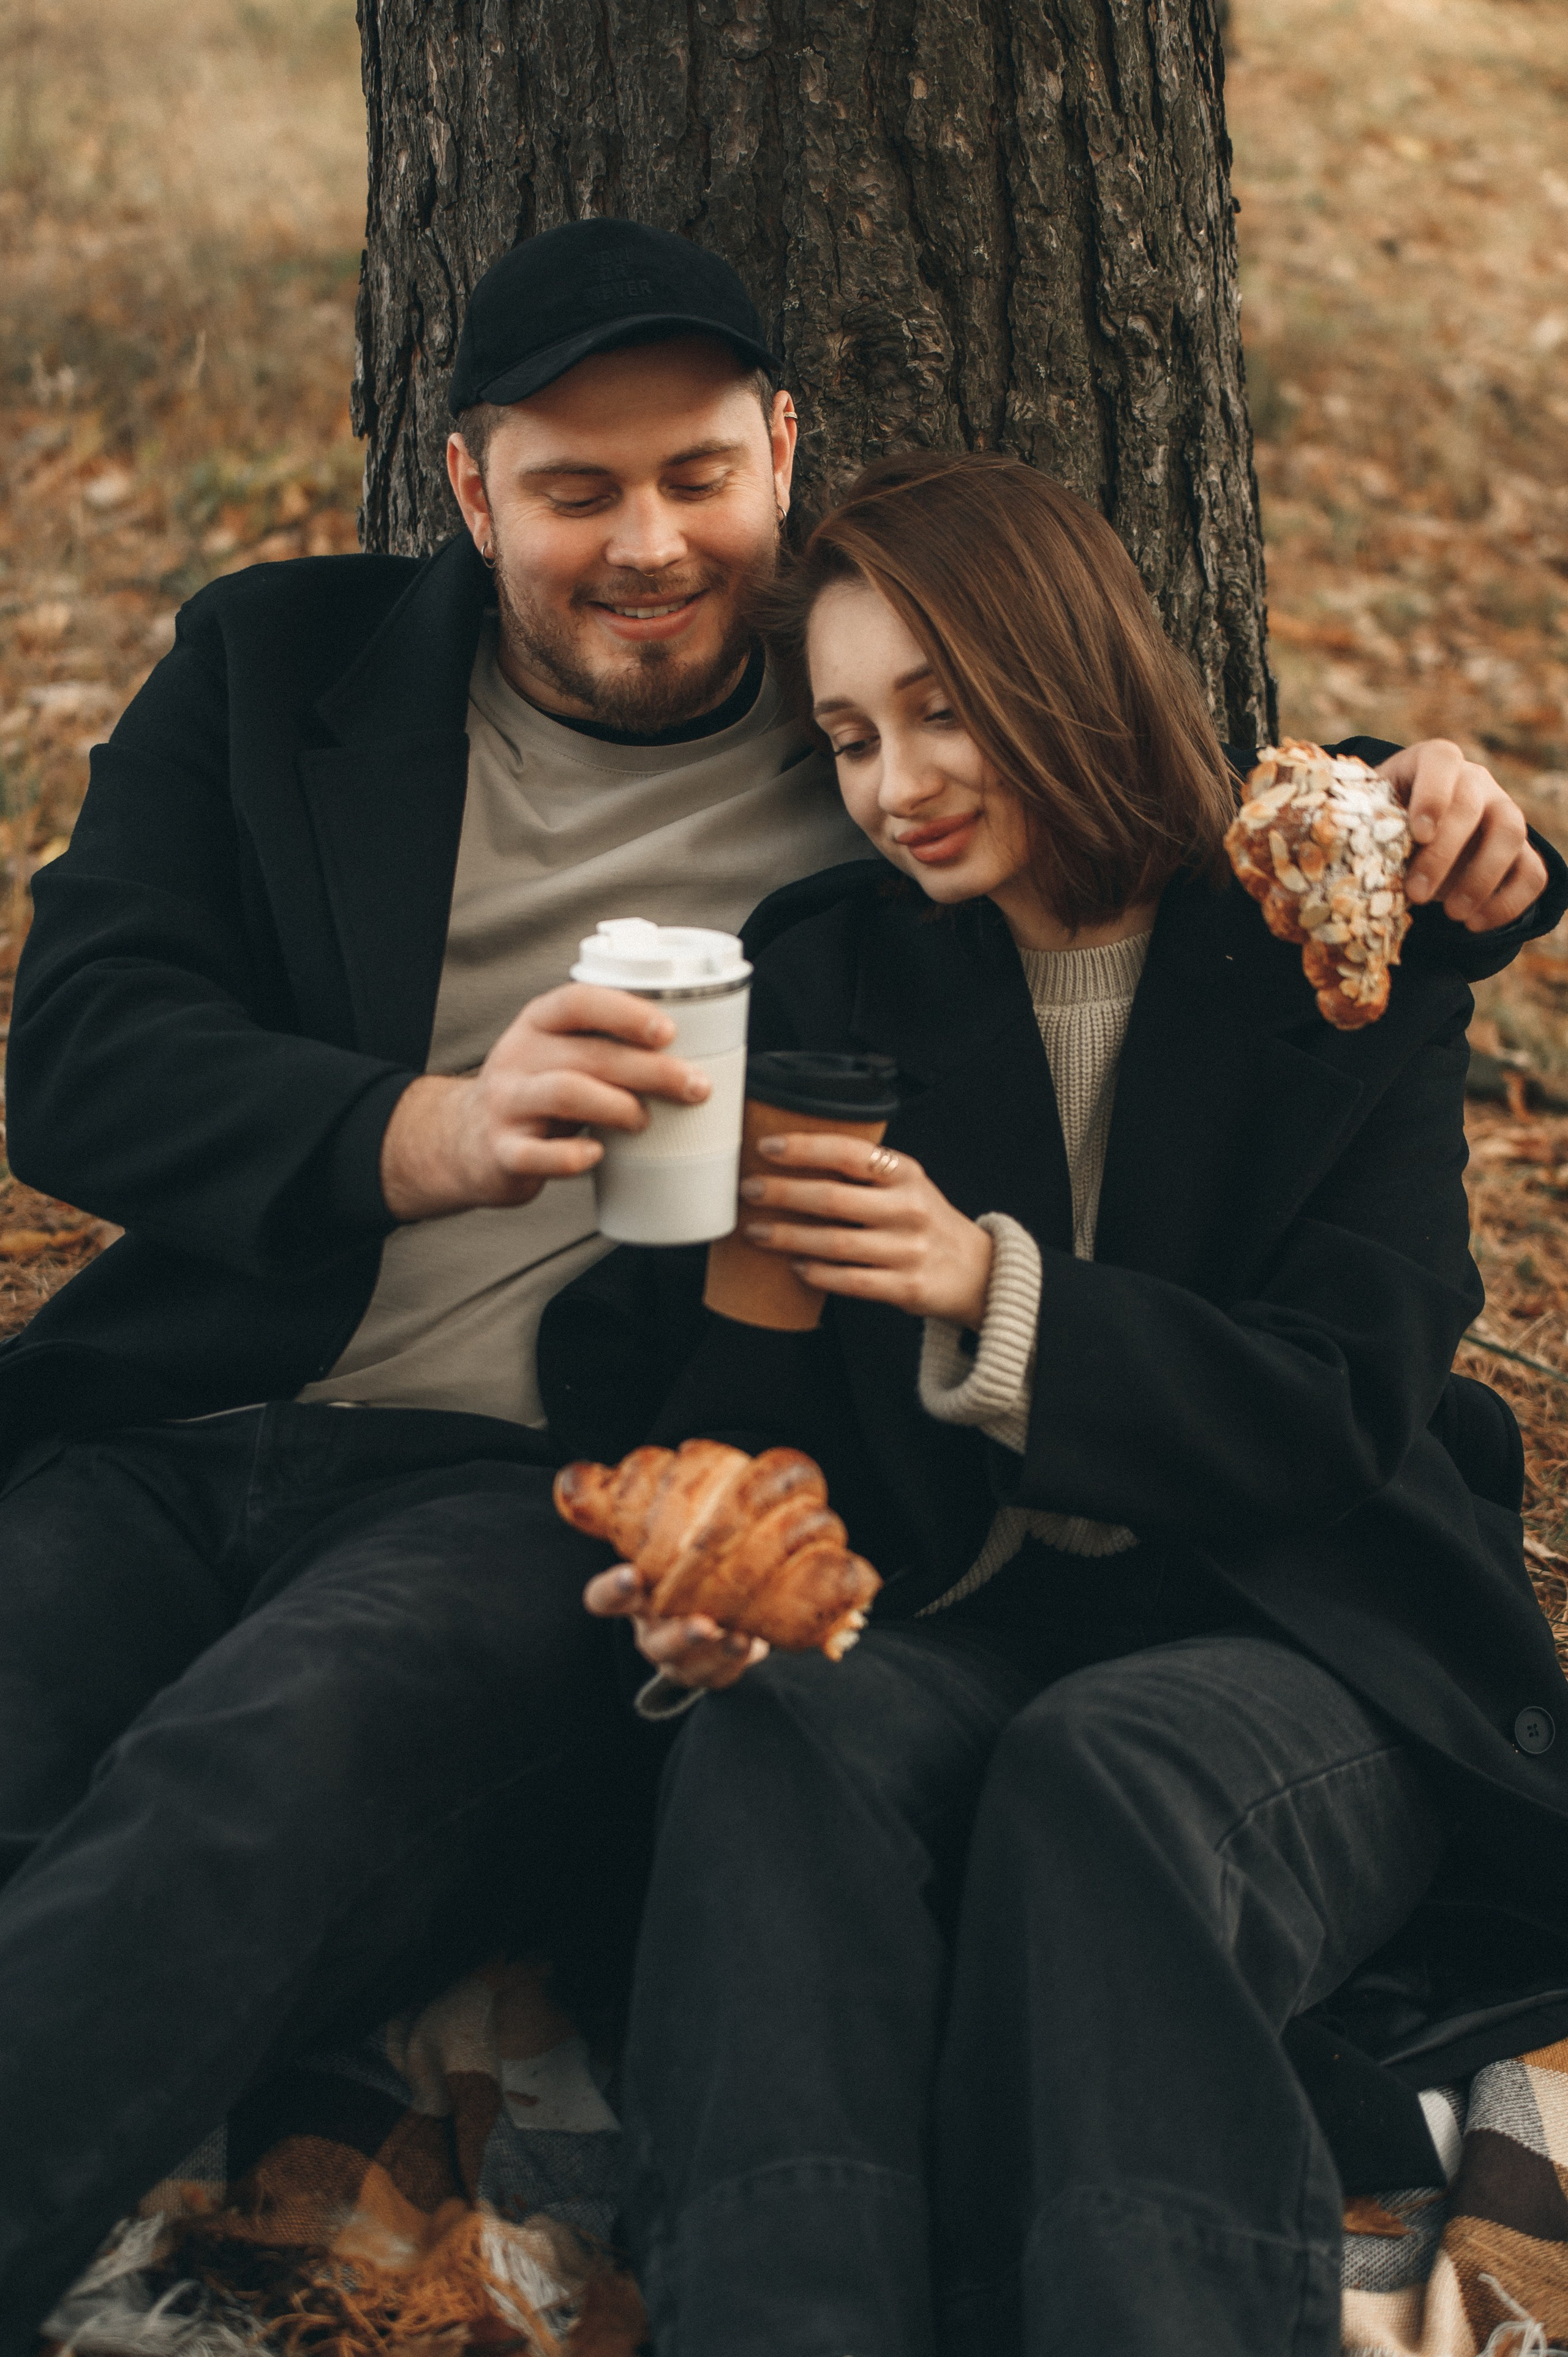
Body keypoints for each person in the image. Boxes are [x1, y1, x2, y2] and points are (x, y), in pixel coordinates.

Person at [0, 216, 1553, 2343]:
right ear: (468, 488)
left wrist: (1437, 822)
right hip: (229, 1430)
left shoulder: (1079, 910)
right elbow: (86, 1055)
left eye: (698, 477)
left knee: (253, 1782)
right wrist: (469, 1159)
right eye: (576, 488)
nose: (650, 545)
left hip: (623, 1505)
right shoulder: (329, 694)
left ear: (781, 457)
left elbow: (1195, 849)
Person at [571, 451, 1568, 2357]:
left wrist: (988, 1283)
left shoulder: (1322, 952)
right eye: (851, 738)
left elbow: (1338, 1407)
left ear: (1068, 665)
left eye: (944, 710)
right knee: (775, 1736)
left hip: (1310, 1640)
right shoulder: (831, 968)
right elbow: (716, 1392)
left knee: (1107, 1766)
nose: (899, 784)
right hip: (970, 1620)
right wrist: (710, 1571)